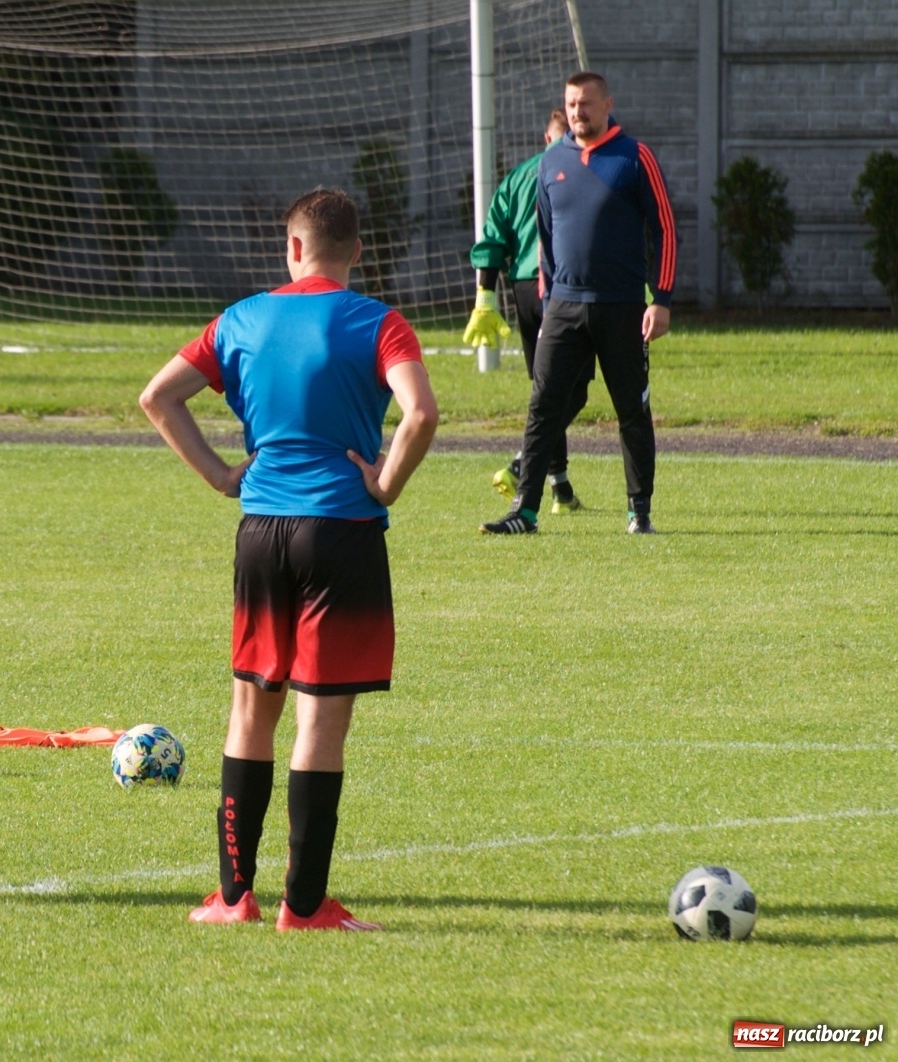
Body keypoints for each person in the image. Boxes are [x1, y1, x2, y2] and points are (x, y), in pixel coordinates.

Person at [139, 189, 437, 931]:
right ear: (356, 252)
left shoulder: (241, 319)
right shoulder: (379, 322)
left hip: (262, 528)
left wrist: (216, 473)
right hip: (341, 530)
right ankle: (303, 906)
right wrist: (386, 482)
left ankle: (233, 898)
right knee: (321, 725)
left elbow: (157, 398)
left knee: (251, 712)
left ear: (293, 248)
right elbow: (421, 413)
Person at [482, 71, 676, 536]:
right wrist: (551, 300)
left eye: (586, 103)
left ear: (607, 104)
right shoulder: (552, 162)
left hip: (622, 307)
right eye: (571, 104)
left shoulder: (635, 157)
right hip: (564, 308)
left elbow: (665, 230)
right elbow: (546, 241)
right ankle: (524, 512)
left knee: (631, 409)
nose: (577, 112)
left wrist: (661, 299)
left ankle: (639, 511)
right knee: (543, 406)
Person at [464, 107, 588, 514]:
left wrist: (485, 295)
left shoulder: (516, 177)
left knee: (545, 388)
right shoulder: (578, 171)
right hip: (560, 289)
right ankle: (522, 462)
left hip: (521, 290)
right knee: (572, 389)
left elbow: (492, 236)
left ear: (544, 136)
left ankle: (561, 489)